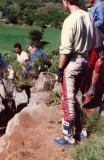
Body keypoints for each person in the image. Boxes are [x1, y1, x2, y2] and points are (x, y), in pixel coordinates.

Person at [54, 0, 99, 146]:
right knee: (75, 96)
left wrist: (60, 69)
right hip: (85, 60)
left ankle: (68, 137)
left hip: (72, 63)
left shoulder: (70, 20)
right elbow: (97, 44)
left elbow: (66, 50)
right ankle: (80, 130)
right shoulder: (88, 16)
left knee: (68, 99)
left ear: (67, 1)